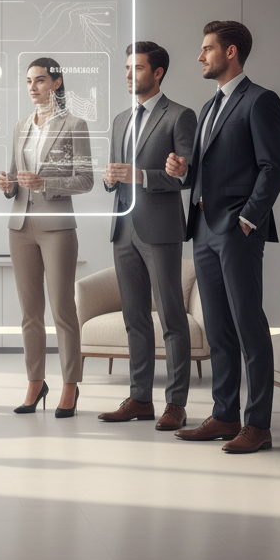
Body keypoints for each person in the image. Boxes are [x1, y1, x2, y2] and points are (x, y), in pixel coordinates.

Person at [166, 20, 280, 453]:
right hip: (202, 228)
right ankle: (224, 415)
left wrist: (248, 219)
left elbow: (273, 167)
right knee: (218, 327)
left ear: (230, 52)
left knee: (249, 325)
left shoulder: (260, 100)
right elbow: (205, 170)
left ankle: (258, 425)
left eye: (207, 48)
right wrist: (183, 173)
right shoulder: (208, 107)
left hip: (237, 230)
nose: (200, 56)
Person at [99, 42, 197, 431]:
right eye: (127, 67)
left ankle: (176, 403)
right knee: (134, 317)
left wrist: (140, 176)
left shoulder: (180, 116)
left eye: (137, 68)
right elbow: (115, 172)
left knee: (171, 317)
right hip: (123, 229)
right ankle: (140, 398)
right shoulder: (121, 119)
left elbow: (187, 176)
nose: (129, 74)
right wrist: (110, 179)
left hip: (160, 230)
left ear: (157, 73)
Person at [0, 58, 93, 417]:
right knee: (29, 313)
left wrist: (45, 183)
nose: (33, 87)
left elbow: (85, 179)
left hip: (57, 227)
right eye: (28, 81)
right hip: (20, 226)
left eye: (39, 80)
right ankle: (35, 383)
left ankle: (70, 386)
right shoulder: (21, 126)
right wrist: (8, 185)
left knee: (63, 310)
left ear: (56, 82)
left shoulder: (75, 125)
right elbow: (15, 175)